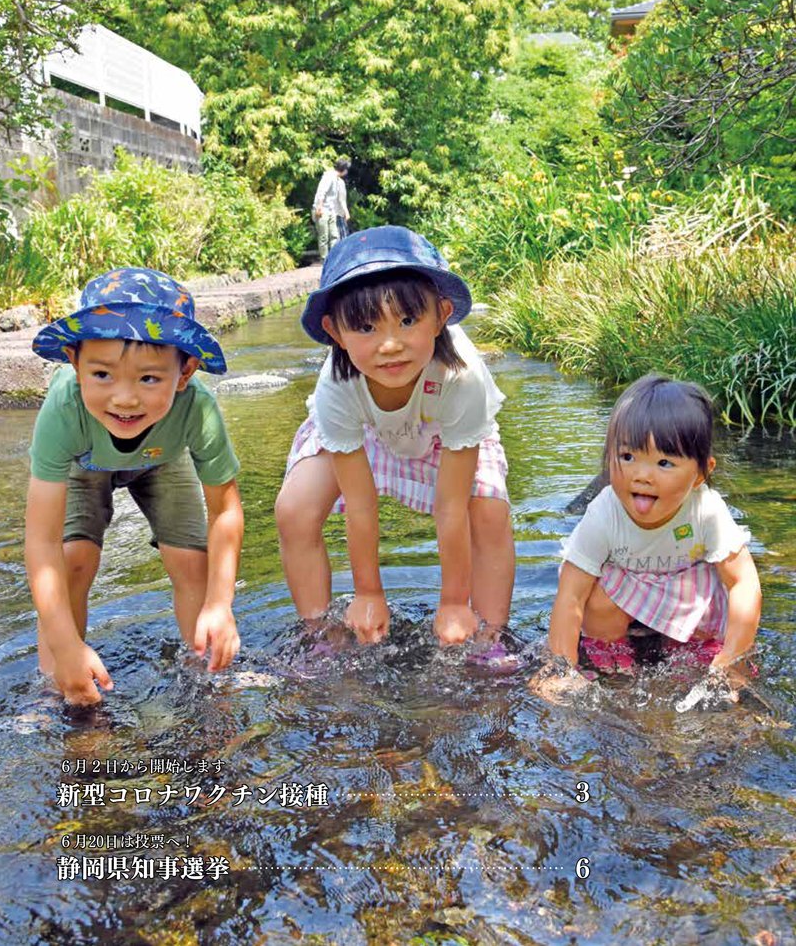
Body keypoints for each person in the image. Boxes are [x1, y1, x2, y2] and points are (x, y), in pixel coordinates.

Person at [275, 226, 515, 646]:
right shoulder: (337, 385)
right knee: (294, 508)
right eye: (366, 328)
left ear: (441, 316)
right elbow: (361, 504)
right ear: (334, 332)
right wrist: (369, 593)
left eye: (407, 321)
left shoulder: (462, 377)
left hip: (444, 434)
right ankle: (320, 637)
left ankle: (489, 639)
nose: (390, 345)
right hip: (365, 431)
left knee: (490, 513)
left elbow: (450, 505)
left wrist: (454, 600)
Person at [26, 267, 244, 706]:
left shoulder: (196, 409)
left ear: (185, 373)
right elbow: (42, 538)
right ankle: (58, 686)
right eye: (102, 374)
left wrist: (220, 604)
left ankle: (207, 678)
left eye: (149, 379)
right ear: (74, 362)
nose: (124, 399)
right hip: (84, 461)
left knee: (191, 563)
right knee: (74, 561)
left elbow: (225, 510)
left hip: (163, 457)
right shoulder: (65, 408)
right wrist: (67, 648)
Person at [538, 374, 762, 695]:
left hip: (683, 595)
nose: (642, 476)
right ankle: (612, 655)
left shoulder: (706, 510)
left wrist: (733, 658)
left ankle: (688, 651)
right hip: (624, 595)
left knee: (714, 596)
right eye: (628, 457)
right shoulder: (605, 512)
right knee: (595, 597)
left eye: (664, 463)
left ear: (701, 474)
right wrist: (559, 666)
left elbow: (743, 583)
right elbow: (571, 594)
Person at [312, 157, 350, 260]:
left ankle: (333, 258)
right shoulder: (329, 176)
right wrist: (319, 207)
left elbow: (341, 199)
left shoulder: (338, 181)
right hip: (322, 210)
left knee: (335, 235)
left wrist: (345, 212)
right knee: (324, 236)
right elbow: (322, 191)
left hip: (331, 211)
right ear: (344, 169)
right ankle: (324, 259)